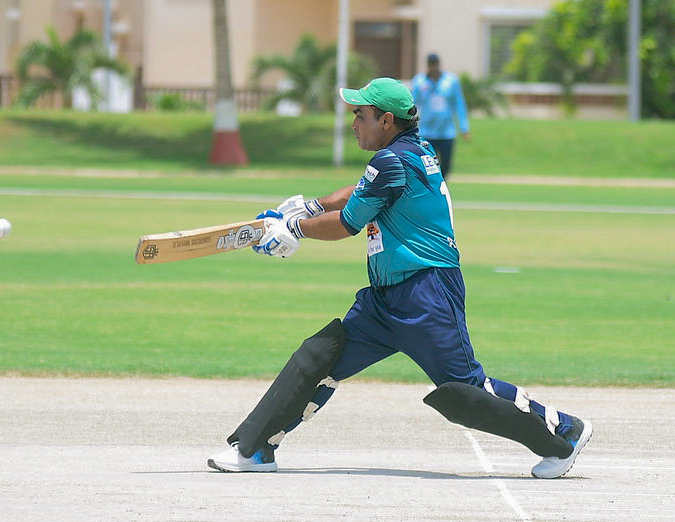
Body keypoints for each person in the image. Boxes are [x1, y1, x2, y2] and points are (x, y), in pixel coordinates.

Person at [207, 78, 591, 478]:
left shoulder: (392, 161)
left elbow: (348, 222)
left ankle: (564, 431)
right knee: (320, 356)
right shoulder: (409, 153)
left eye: (361, 115)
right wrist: (308, 207)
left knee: (466, 391)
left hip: (425, 295)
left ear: (386, 120)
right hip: (384, 302)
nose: (354, 123)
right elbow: (359, 191)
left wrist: (294, 229)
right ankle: (255, 449)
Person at [411, 53, 470, 177]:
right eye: (431, 64)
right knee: (427, 167)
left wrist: (464, 127)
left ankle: (442, 187)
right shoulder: (420, 81)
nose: (433, 67)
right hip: (426, 132)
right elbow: (412, 104)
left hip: (446, 132)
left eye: (435, 64)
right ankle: (430, 188)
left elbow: (459, 104)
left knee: (445, 166)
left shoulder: (451, 81)